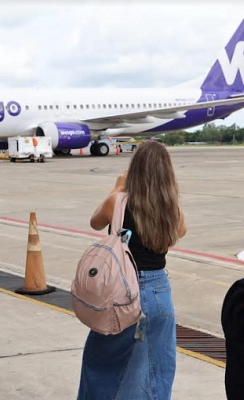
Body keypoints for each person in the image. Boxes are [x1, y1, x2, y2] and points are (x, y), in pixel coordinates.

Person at [78, 141, 187, 400]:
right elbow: (179, 233)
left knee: (102, 364)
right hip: (159, 292)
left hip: (122, 291)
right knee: (155, 372)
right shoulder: (171, 207)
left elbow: (95, 222)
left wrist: (117, 187)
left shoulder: (118, 201)